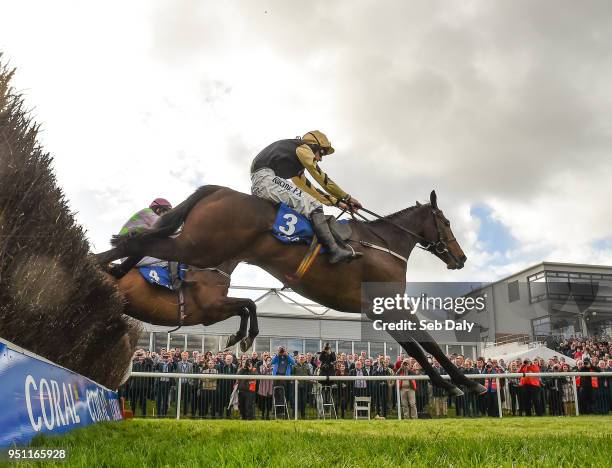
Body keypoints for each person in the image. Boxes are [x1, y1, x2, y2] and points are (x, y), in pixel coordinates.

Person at [250, 131, 362, 263]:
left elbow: (309, 189)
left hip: (263, 182)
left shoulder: (295, 159)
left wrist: (338, 203)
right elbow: (321, 177)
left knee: (309, 205)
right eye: (322, 153)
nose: (320, 158)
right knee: (313, 205)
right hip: (266, 180)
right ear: (314, 146)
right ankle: (334, 250)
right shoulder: (304, 148)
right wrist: (347, 197)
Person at [110, 197, 176, 280]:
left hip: (130, 250)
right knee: (169, 259)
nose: (166, 216)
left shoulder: (147, 217)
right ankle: (175, 282)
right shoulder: (147, 213)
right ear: (158, 209)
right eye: (166, 212)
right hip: (128, 252)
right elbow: (167, 230)